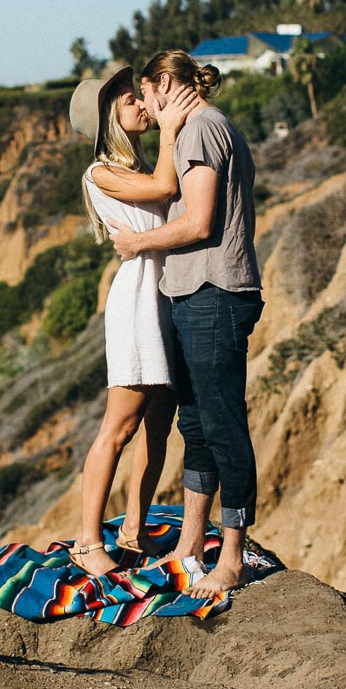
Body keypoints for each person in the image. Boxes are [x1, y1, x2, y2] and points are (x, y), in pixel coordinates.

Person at [106, 49, 261, 596]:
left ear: (163, 84)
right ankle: (190, 543)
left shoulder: (199, 132)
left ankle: (233, 557)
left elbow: (197, 222)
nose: (146, 106)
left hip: (213, 292)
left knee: (222, 427)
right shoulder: (204, 127)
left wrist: (136, 243)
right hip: (195, 293)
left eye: (145, 93)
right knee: (195, 426)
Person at [64, 64, 202, 578]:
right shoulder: (99, 172)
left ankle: (132, 532)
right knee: (119, 427)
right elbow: (168, 189)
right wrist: (170, 127)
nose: (141, 105)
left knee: (158, 429)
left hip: (164, 295)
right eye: (128, 102)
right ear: (108, 122)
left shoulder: (137, 166)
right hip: (138, 299)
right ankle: (85, 542)